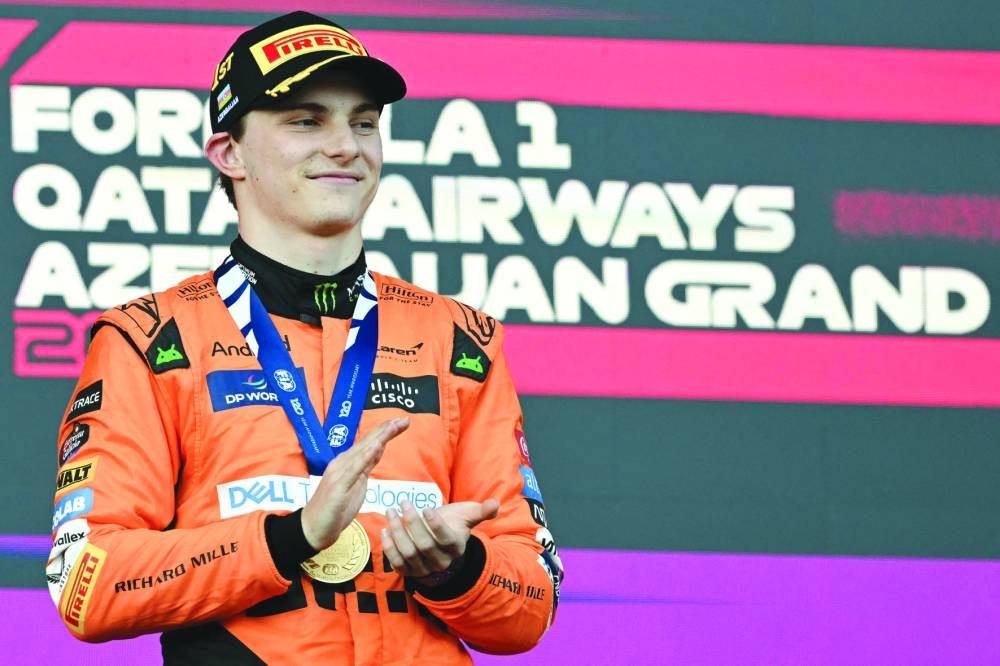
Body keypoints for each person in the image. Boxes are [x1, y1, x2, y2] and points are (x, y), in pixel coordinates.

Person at [46, 11, 563, 664]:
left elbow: (531, 602)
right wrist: (290, 539)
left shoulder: (459, 337)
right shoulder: (150, 338)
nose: (346, 145)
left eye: (364, 122)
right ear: (228, 153)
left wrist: (458, 571)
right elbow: (85, 579)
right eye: (306, 119)